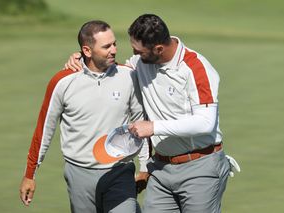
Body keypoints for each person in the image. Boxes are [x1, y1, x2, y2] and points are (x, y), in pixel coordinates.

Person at [65, 14, 240, 213]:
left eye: (138, 50)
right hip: (161, 169)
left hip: (199, 168)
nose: (133, 54)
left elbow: (205, 122)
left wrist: (153, 127)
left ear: (158, 49)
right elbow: (116, 70)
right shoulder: (141, 62)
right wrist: (84, 58)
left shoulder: (195, 68)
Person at [19, 20, 149, 213]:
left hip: (120, 171)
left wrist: (145, 167)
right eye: (106, 46)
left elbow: (141, 125)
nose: (113, 50)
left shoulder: (128, 76)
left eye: (114, 44)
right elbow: (44, 130)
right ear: (87, 51)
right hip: (79, 174)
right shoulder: (62, 82)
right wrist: (30, 174)